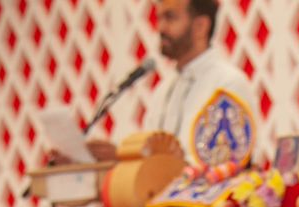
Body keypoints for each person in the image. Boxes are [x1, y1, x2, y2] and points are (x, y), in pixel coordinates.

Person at [86, 1, 259, 164]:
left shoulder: (228, 84)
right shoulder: (164, 90)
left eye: (170, 17)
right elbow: (152, 158)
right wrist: (120, 158)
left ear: (200, 26)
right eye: (159, 18)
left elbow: (224, 164)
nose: (160, 28)